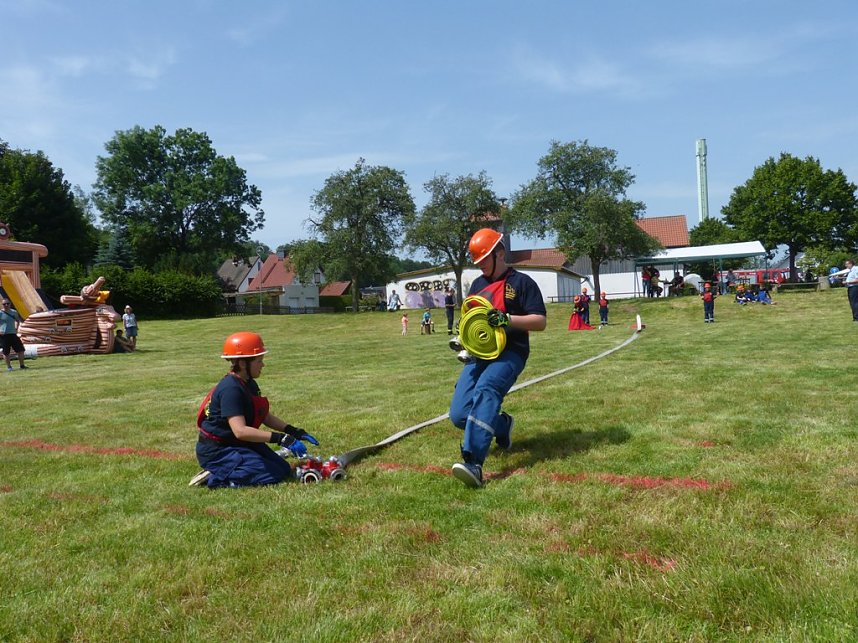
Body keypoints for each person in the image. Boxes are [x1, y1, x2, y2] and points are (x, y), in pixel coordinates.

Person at [449, 228, 547, 488]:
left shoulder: (522, 283)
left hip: (511, 352)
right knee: (459, 414)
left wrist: (507, 319)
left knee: (486, 389)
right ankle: (502, 425)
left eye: (484, 260)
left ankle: (473, 463)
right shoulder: (477, 285)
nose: (480, 266)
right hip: (480, 354)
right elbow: (472, 317)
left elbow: (540, 321)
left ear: (499, 254)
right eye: (477, 261)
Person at [191, 332, 319, 488]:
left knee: (283, 469)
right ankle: (216, 476)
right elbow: (240, 431)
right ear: (243, 363)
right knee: (272, 474)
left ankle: (234, 467)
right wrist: (280, 439)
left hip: (237, 443)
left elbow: (265, 416)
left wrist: (293, 431)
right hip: (218, 451)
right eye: (259, 361)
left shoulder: (248, 383)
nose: (262, 365)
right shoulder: (231, 389)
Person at [0, 299, 27, 371]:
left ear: (10, 304)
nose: (6, 305)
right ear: (2, 305)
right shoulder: (0, 313)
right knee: (6, 352)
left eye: (7, 303)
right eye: (4, 304)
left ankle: (22, 365)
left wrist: (16, 328)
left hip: (13, 334)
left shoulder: (14, 312)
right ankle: (9, 367)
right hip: (4, 335)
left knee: (21, 350)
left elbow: (17, 320)